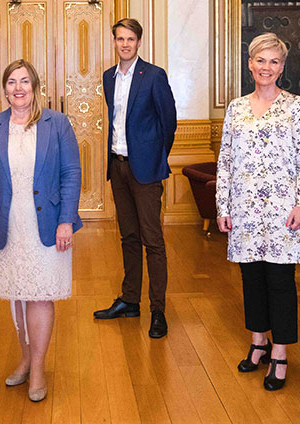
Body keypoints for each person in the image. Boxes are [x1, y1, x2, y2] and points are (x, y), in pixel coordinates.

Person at [0, 59, 82, 402]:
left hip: (46, 225)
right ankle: (25, 358)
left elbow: (71, 173)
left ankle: (38, 369)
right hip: (6, 224)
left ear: (35, 87)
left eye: (24, 82)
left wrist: (66, 219)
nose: (18, 88)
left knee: (40, 293)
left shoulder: (57, 124)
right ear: (4, 89)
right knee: (17, 293)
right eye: (12, 82)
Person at [216, 32, 300, 391]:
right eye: (260, 60)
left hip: (282, 210)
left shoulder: (295, 106)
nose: (266, 67)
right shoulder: (236, 107)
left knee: (280, 282)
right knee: (251, 279)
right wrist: (222, 206)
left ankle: (281, 353)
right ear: (250, 64)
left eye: (274, 61)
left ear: (282, 67)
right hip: (243, 209)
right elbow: (225, 159)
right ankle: (258, 343)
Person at [93, 18, 177, 339]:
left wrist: (155, 157)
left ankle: (158, 310)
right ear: (114, 42)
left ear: (139, 42)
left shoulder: (154, 76)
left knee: (152, 240)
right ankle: (130, 301)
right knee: (128, 237)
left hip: (146, 170)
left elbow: (168, 123)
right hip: (118, 167)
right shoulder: (108, 77)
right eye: (120, 39)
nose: (125, 44)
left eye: (130, 39)